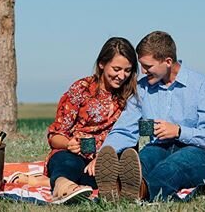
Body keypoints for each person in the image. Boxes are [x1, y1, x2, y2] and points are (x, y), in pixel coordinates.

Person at [94, 30, 205, 202]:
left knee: (172, 167)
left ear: (168, 62)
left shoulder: (204, 87)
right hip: (158, 147)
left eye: (148, 66)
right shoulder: (142, 89)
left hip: (198, 153)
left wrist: (179, 131)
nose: (142, 71)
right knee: (142, 160)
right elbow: (125, 129)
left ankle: (139, 191)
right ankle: (118, 187)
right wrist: (106, 151)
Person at [44, 37, 138, 204]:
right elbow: (55, 135)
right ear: (102, 64)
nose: (121, 76)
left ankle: (53, 182)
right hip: (75, 155)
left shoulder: (132, 94)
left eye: (127, 70)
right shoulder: (81, 89)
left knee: (120, 169)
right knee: (67, 163)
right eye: (116, 69)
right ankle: (62, 187)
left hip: (109, 157)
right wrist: (68, 144)